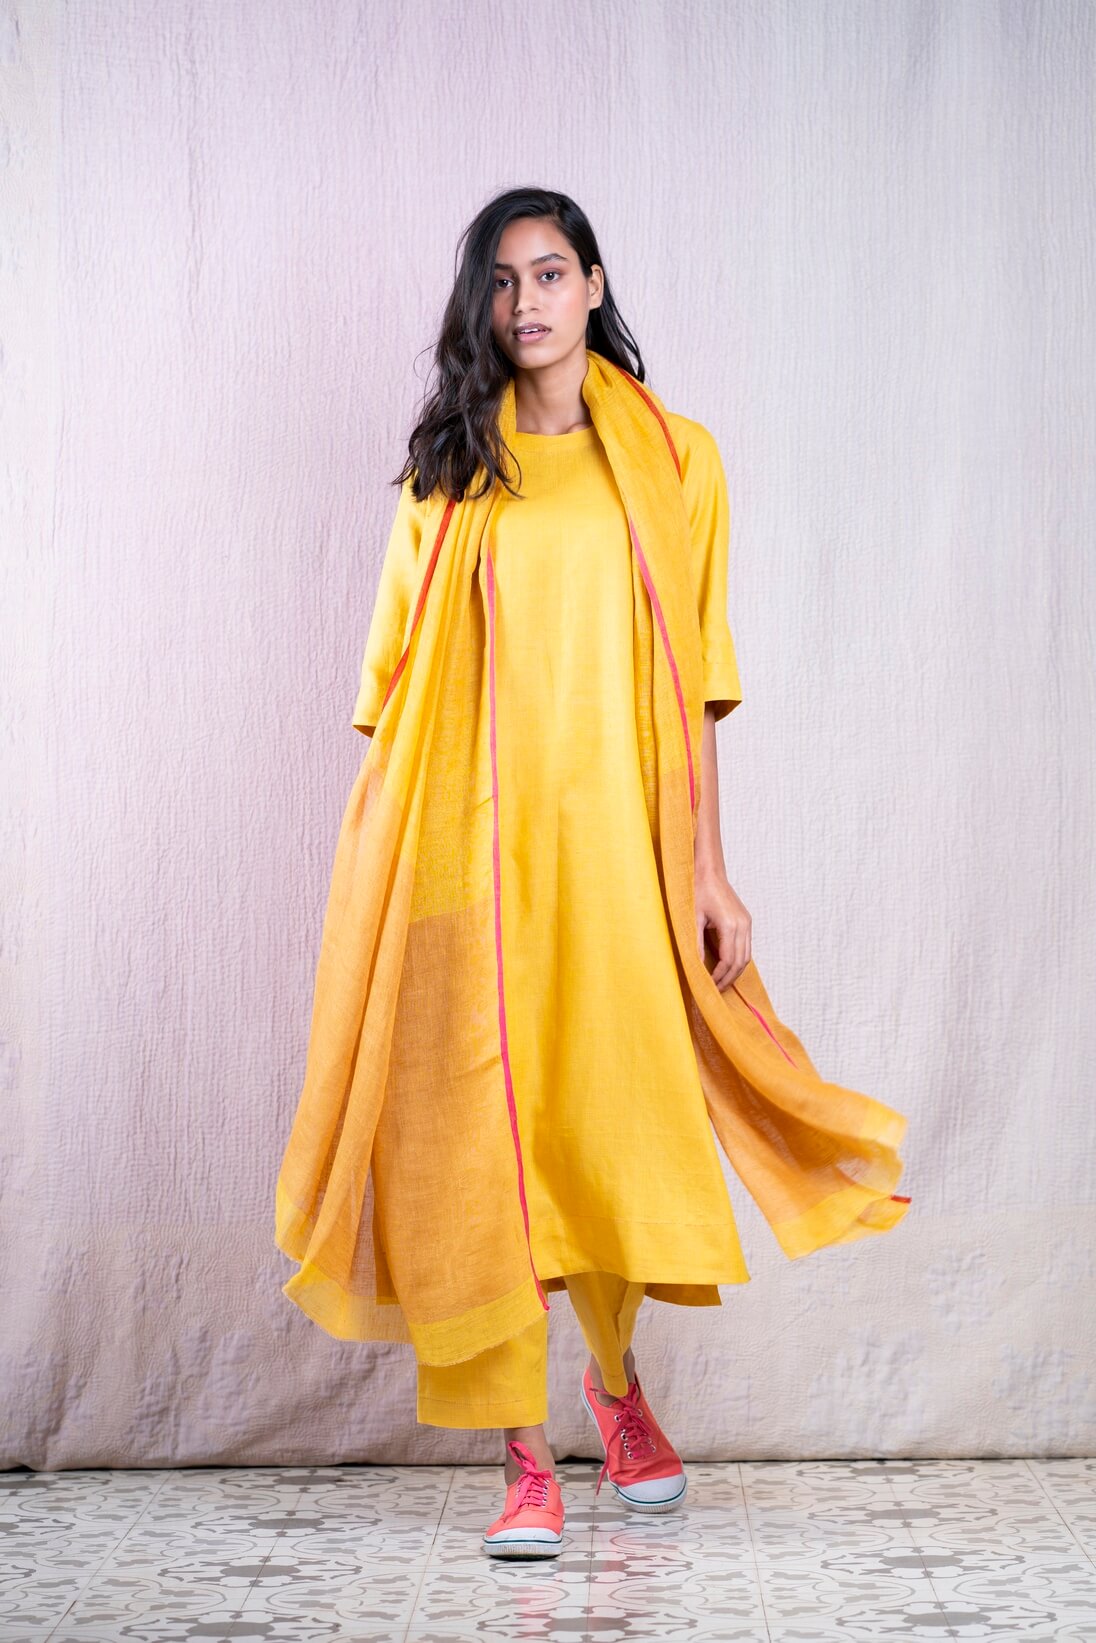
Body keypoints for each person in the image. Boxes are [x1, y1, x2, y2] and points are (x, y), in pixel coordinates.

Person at [274, 186, 911, 1561]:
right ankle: (522, 1459)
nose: (528, 303)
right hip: (475, 861)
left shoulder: (678, 461)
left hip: (623, 857)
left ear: (595, 283)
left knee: (607, 1129)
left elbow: (700, 685)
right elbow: (394, 697)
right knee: (479, 1149)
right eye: (503, 282)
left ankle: (616, 1391)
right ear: (483, 307)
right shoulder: (450, 476)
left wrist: (712, 873)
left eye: (551, 273)